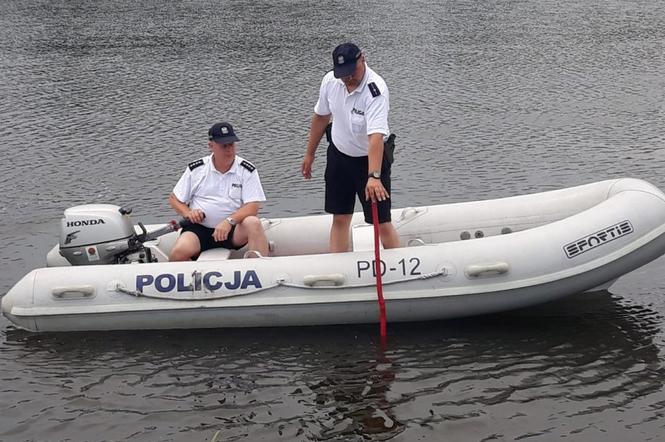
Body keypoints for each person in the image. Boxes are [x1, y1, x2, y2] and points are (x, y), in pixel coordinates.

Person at [301, 42, 400, 252]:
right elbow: (321, 117)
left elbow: (375, 137)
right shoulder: (330, 81)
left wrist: (374, 177)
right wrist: (310, 154)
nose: (348, 78)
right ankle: (338, 266)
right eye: (343, 74)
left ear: (362, 59)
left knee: (381, 221)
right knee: (340, 216)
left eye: (351, 72)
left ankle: (398, 261)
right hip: (339, 155)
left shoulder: (375, 91)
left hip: (369, 160)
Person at [169, 122, 269, 261]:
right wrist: (188, 213)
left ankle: (260, 271)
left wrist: (229, 222)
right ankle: (189, 280)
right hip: (200, 229)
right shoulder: (196, 169)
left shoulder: (246, 170)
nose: (229, 150)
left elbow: (253, 206)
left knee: (253, 222)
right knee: (178, 252)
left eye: (232, 145)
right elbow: (175, 199)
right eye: (224, 146)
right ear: (211, 146)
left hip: (233, 230)